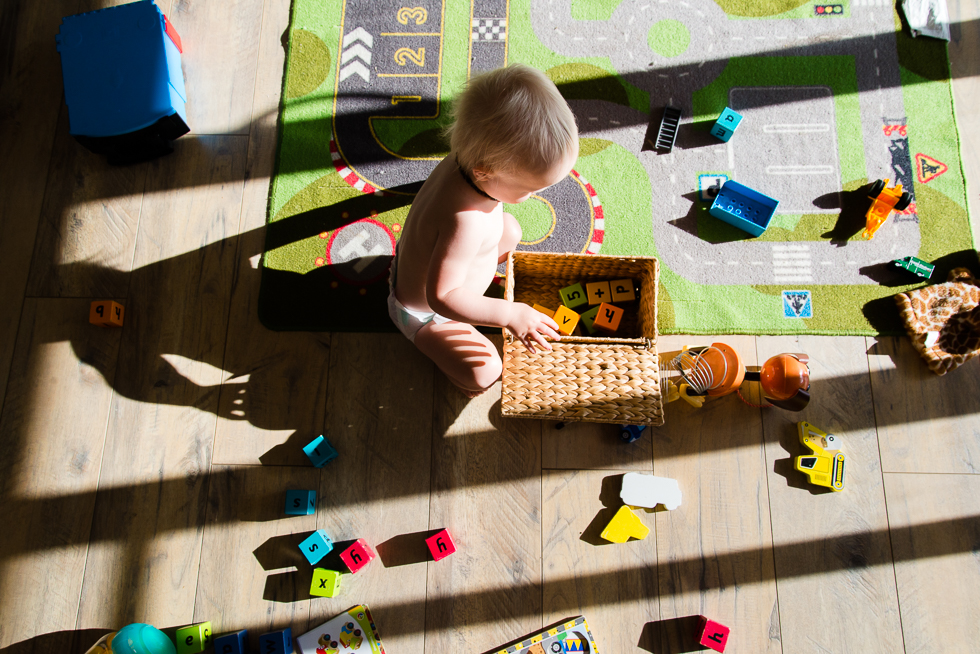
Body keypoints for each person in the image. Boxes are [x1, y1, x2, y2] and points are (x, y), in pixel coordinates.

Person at [388, 64, 579, 397]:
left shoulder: (467, 159)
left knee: (511, 228)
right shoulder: (465, 219)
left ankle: (478, 299)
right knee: (485, 370)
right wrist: (509, 313)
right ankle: (463, 382)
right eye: (529, 189)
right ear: (485, 173)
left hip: (433, 261)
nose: (533, 196)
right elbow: (443, 297)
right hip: (426, 314)